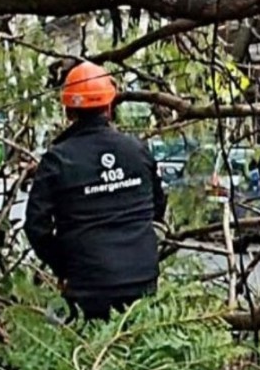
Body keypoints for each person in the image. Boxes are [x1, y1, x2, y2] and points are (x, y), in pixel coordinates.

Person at [25, 61, 167, 323]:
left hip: (88, 285)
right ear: (109, 107)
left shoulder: (57, 159)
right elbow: (157, 208)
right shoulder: (138, 151)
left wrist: (64, 266)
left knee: (91, 355)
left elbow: (36, 227)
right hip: (142, 279)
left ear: (68, 111)